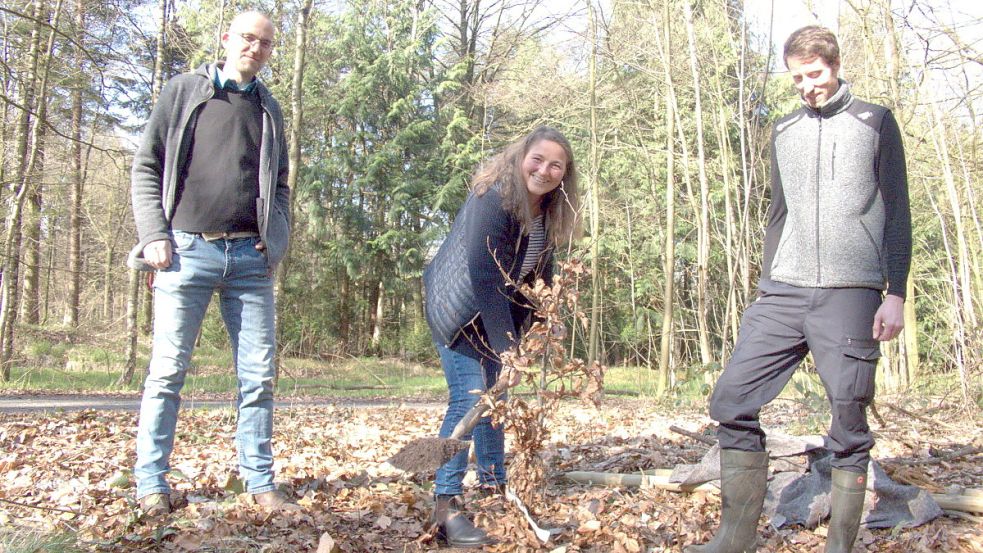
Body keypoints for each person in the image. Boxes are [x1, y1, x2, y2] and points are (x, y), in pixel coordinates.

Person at [685, 26, 911, 553]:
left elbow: (898, 213)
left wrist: (894, 292)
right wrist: (765, 284)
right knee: (731, 399)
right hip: (783, 292)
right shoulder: (784, 130)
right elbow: (777, 214)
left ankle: (839, 546)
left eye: (815, 74)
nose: (808, 86)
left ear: (833, 66)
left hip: (850, 290)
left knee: (849, 420)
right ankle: (734, 539)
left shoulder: (874, 121)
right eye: (797, 78)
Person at [127, 11, 293, 516]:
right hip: (184, 252)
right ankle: (151, 484)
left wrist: (276, 241)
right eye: (247, 38)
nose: (255, 48)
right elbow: (146, 164)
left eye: (265, 43)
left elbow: (281, 184)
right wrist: (154, 234)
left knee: (259, 376)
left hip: (250, 259)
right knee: (167, 372)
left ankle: (260, 482)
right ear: (226, 39)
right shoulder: (184, 91)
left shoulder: (269, 108)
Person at [422, 126, 580, 547]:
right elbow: (486, 275)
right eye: (538, 159)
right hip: (456, 310)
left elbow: (537, 277)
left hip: (494, 318)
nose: (544, 170)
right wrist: (509, 349)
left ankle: (494, 490)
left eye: (556, 165)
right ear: (521, 156)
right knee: (473, 394)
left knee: (497, 399)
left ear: (564, 175)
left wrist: (543, 324)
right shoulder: (492, 197)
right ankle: (445, 505)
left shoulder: (546, 214)